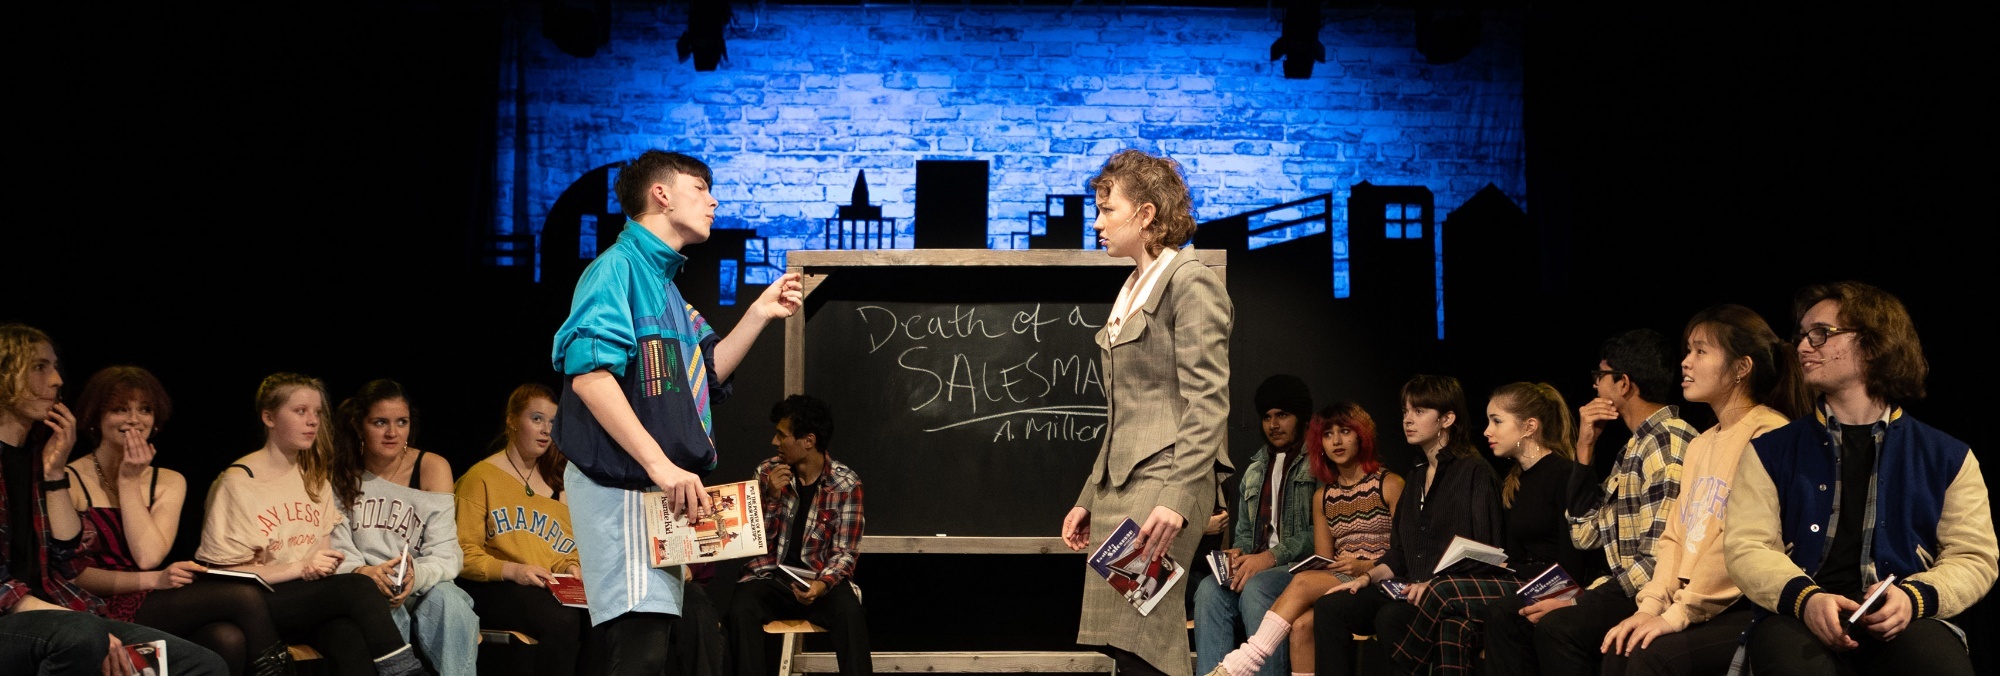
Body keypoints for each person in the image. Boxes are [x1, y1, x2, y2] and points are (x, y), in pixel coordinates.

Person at [550, 149, 803, 675]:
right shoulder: (617, 269)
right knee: (638, 646)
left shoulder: (664, 285)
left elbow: (705, 374)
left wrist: (759, 312)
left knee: (665, 641)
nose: (713, 201)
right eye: (699, 188)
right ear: (661, 194)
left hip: (653, 492)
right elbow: (590, 376)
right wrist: (661, 467)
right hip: (622, 487)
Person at [1728, 282, 1996, 676]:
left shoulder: (1947, 456)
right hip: (1800, 615)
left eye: (1820, 333)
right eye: (1802, 335)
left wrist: (1913, 598)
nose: (1802, 347)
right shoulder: (1770, 451)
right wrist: (1805, 598)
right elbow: (1746, 545)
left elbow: (1974, 557)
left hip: (1903, 617)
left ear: (1873, 344)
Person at [1059, 149, 1232, 676]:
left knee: (1145, 634)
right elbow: (1123, 415)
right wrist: (1089, 495)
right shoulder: (1132, 286)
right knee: (1122, 638)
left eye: (1107, 209)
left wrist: (1177, 498)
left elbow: (1208, 401)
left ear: (1146, 213)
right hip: (1123, 487)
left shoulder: (1189, 281)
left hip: (1166, 483)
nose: (1097, 222)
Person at [1575, 306, 1803, 675]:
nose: (1686, 362)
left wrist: (1679, 613)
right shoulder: (1701, 444)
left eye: (1700, 351)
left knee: (1650, 656)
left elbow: (1737, 541)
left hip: (1742, 602)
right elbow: (1675, 535)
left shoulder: (1767, 431)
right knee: (1621, 648)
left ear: (1741, 368)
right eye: (1688, 350)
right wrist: (1651, 607)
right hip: (1692, 599)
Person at [0, 324, 226, 675]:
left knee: (203, 663)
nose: (57, 380)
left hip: (58, 612)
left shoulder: (38, 456)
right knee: (83, 637)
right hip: (20, 618)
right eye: (40, 367)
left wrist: (55, 473)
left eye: (55, 367)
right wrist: (81, 624)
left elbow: (67, 558)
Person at [1482, 329, 1696, 676]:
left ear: (1623, 384)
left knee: (1557, 628)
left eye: (1601, 375)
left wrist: (1577, 600)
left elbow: (1656, 560)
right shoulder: (1634, 447)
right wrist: (1584, 449)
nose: (1595, 384)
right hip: (1627, 586)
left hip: (1653, 590)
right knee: (1510, 617)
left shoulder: (1665, 443)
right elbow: (1585, 534)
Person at [63, 366, 290, 676]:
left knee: (227, 639)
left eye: (145, 409)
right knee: (242, 596)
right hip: (93, 605)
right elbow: (77, 574)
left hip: (150, 599)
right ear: (95, 417)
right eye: (120, 409)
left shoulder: (169, 481)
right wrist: (155, 579)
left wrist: (129, 482)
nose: (134, 419)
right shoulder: (68, 480)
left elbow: (148, 555)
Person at [196, 372, 423, 676]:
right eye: (300, 411)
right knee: (358, 585)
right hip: (257, 605)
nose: (312, 421)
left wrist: (322, 566)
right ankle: (405, 670)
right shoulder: (238, 483)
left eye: (317, 412)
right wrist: (300, 568)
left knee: (349, 636)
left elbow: (322, 554)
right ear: (269, 417)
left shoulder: (314, 479)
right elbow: (223, 576)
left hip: (306, 600)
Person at [1380, 383, 1598, 674]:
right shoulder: (1514, 482)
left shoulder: (1563, 474)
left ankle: (1404, 666)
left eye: (1497, 421)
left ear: (1529, 427)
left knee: (1442, 589)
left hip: (1552, 586)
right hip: (1518, 580)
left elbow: (1574, 561)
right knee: (1453, 626)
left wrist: (1518, 572)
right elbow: (1512, 555)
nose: (1486, 431)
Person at [1312, 375, 1502, 676]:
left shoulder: (1475, 472)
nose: (1407, 420)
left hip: (1448, 594)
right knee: (1330, 607)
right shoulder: (1416, 475)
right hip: (1407, 587)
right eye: (1405, 411)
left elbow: (1486, 554)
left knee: (1391, 617)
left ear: (1447, 419)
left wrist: (1435, 585)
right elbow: (1400, 551)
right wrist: (1368, 577)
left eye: (1419, 411)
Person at [1206, 402, 1401, 676]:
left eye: (1345, 432)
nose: (1336, 441)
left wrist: (1366, 567)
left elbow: (1406, 552)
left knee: (1301, 581)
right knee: (1300, 627)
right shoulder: (1324, 496)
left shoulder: (1389, 484)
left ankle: (1247, 660)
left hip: (1382, 578)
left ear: (1361, 436)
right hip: (1341, 580)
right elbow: (1323, 559)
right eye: (1328, 434)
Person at [328, 379, 475, 676]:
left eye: (401, 422)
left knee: (451, 602)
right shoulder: (341, 470)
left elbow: (447, 554)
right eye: (380, 422)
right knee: (381, 609)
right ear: (359, 425)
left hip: (420, 583)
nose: (392, 433)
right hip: (365, 587)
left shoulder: (431, 467)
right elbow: (336, 548)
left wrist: (414, 575)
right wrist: (366, 573)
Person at [726, 394, 870, 676]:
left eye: (782, 435)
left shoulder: (846, 484)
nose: (774, 442)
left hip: (819, 579)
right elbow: (752, 543)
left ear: (808, 441)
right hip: (772, 578)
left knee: (851, 614)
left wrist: (821, 585)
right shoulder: (766, 473)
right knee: (740, 610)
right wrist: (770, 497)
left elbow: (845, 553)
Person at [456, 383, 589, 676]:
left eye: (552, 422)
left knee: (602, 620)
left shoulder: (557, 482)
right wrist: (513, 570)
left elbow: (563, 549)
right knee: (561, 620)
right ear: (512, 420)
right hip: (495, 586)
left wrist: (570, 565)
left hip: (545, 587)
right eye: (536, 419)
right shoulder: (481, 477)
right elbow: (461, 553)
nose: (545, 430)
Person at [1193, 374, 1319, 676]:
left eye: (1282, 415)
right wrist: (1238, 554)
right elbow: (1245, 534)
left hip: (1302, 569)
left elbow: (1322, 534)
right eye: (1267, 417)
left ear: (1301, 418)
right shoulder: (1254, 470)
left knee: (1257, 588)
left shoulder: (1318, 464)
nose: (1273, 424)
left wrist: (1269, 558)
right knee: (1209, 590)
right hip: (1260, 566)